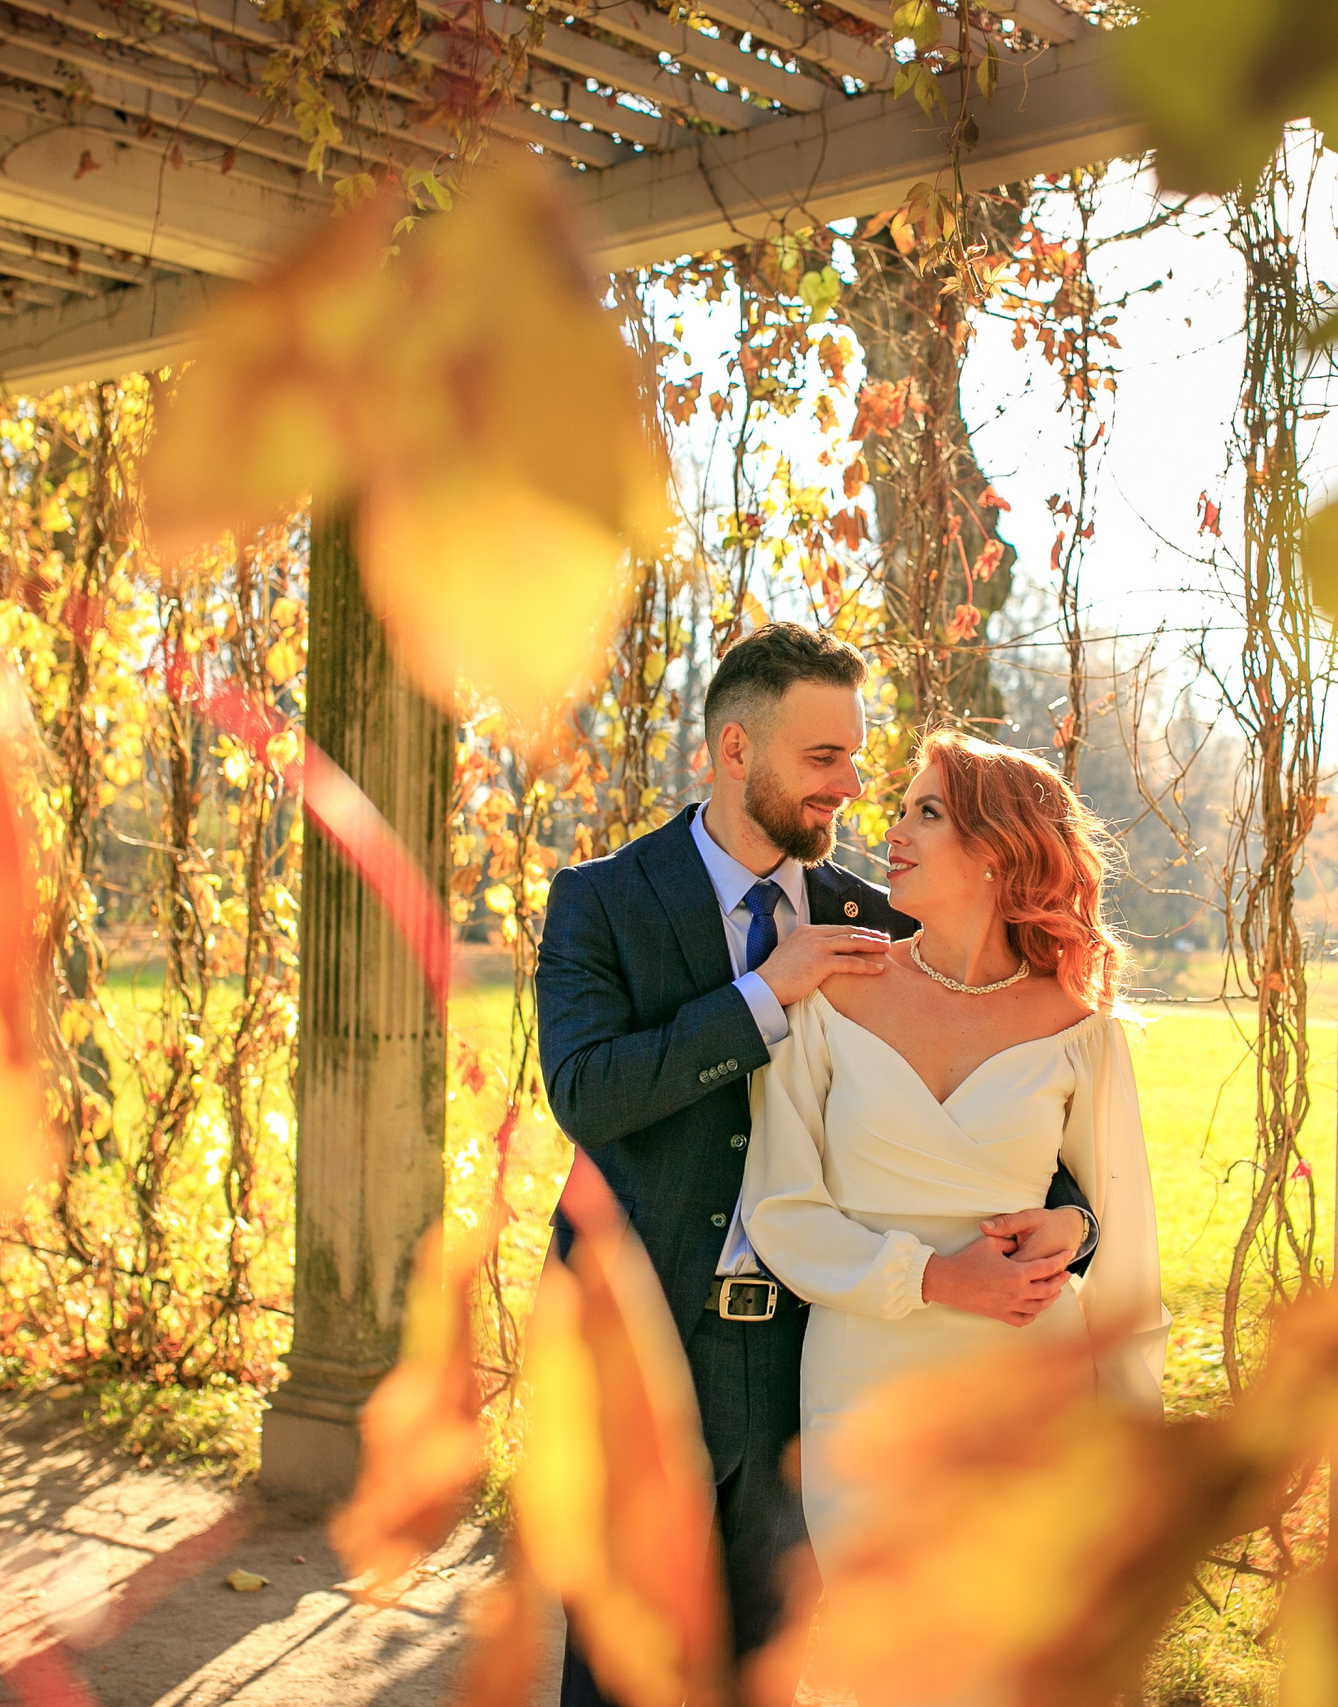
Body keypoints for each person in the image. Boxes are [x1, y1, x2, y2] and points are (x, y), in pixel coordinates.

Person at [533, 625, 1099, 1707]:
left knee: (767, 1667)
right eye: (824, 758)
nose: (851, 785)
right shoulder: (600, 901)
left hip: (807, 1356)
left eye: (855, 753)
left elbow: (1001, 1095)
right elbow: (588, 1090)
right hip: (639, 1340)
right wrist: (764, 995)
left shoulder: (875, 916)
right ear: (734, 750)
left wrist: (1076, 1218)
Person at [742, 727, 1168, 1579]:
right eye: (898, 810)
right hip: (865, 1389)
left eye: (925, 812)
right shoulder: (831, 992)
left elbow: (1124, 1247)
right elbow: (781, 1209)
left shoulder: (1080, 1026)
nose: (890, 832)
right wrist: (936, 1278)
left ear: (997, 852)